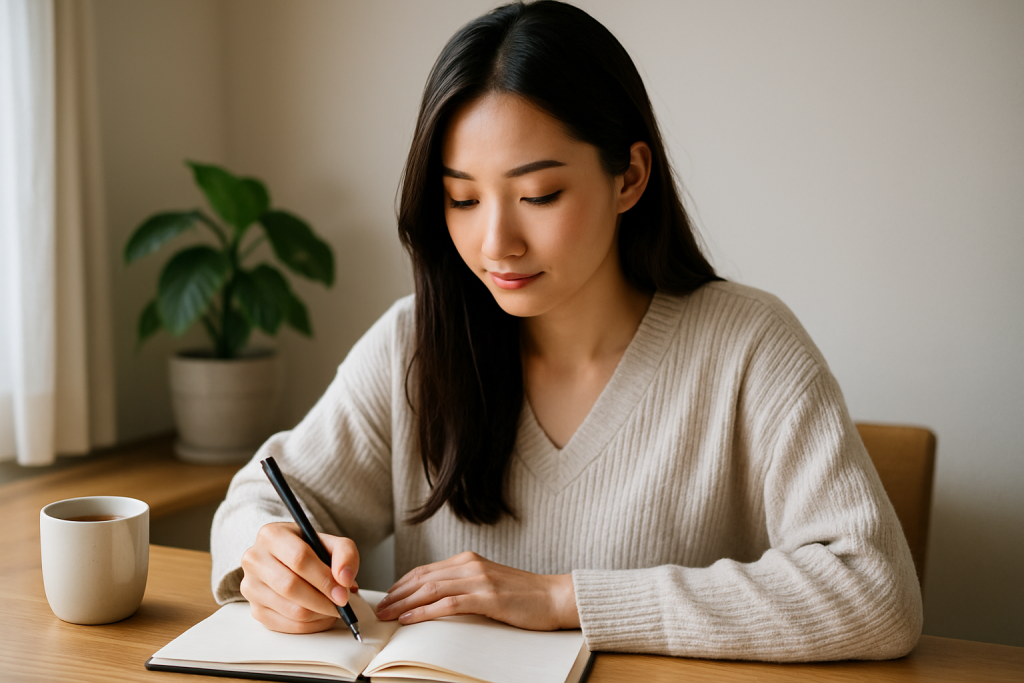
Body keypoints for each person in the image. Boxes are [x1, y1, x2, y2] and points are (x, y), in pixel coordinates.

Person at [211, 0, 922, 662]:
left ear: (629, 177)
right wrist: (266, 556)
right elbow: (262, 497)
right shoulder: (417, 344)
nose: (496, 243)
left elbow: (876, 590)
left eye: (539, 195)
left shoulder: (748, 346)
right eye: (462, 198)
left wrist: (563, 598)